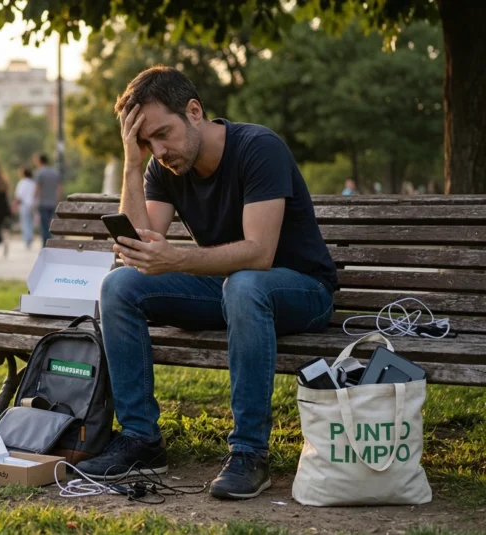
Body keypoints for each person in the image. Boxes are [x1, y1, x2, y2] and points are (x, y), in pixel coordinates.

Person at [74, 65, 338, 501]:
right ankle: (141, 439)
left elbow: (260, 253)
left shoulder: (259, 148)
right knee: (119, 286)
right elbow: (138, 248)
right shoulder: (164, 166)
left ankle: (249, 452)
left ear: (194, 111)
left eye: (162, 134)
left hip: (301, 291)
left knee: (246, 284)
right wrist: (132, 161)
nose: (159, 150)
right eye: (146, 142)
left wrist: (176, 256)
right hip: (231, 289)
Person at [33, 153, 62, 247]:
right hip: (53, 202)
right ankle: (51, 242)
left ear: (39, 161)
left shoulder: (39, 172)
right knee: (52, 224)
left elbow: (38, 188)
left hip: (43, 203)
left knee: (44, 226)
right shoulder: (55, 172)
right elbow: (59, 188)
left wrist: (34, 200)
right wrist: (58, 200)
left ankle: (46, 244)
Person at [13, 167, 37, 250]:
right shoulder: (33, 183)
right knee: (30, 222)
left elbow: (19, 196)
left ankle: (27, 239)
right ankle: (30, 236)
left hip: (24, 205)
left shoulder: (22, 183)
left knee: (25, 223)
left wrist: (15, 205)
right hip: (32, 205)